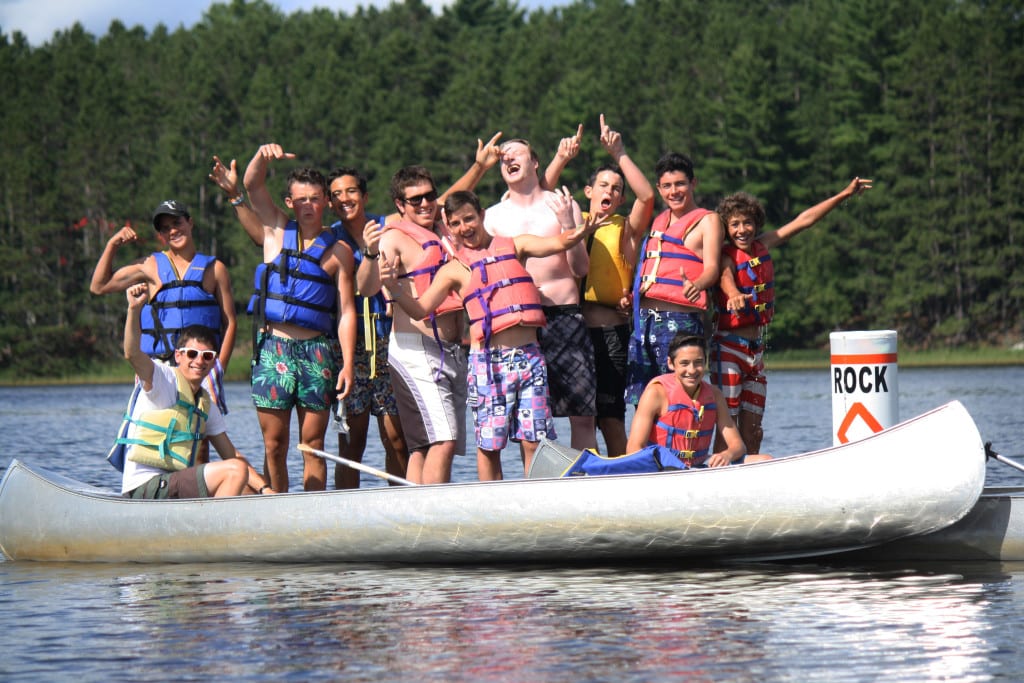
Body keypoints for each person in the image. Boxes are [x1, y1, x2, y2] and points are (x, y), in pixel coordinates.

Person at [381, 190, 602, 480]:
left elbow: (558, 242)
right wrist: (395, 289)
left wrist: (580, 231)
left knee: (534, 440)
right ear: (449, 226)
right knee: (490, 445)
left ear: (482, 215)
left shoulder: (515, 245)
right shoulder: (454, 269)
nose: (465, 228)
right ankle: (492, 505)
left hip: (530, 358)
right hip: (488, 364)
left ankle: (535, 504)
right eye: (457, 224)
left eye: (469, 219)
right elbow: (422, 308)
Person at [355, 135, 502, 484]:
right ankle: (432, 518)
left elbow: (454, 194)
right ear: (399, 204)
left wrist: (480, 166)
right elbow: (366, 287)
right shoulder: (392, 238)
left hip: (451, 350)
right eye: (414, 199)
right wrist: (370, 253)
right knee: (443, 440)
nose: (424, 204)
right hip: (415, 350)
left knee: (423, 445)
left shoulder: (441, 228)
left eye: (429, 196)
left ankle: (416, 518)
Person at [710, 177, 873, 453]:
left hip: (755, 352)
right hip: (728, 348)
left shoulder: (763, 245)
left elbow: (804, 220)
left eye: (747, 222)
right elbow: (726, 276)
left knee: (753, 430)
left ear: (756, 224)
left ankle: (750, 481)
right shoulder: (726, 256)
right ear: (726, 229)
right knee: (729, 425)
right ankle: (715, 477)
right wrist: (734, 293)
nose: (742, 230)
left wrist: (844, 194)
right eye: (735, 224)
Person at [242, 143, 358, 492]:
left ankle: (312, 513)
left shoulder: (340, 252)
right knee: (274, 445)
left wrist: (348, 364)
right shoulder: (275, 229)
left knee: (313, 445)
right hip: (273, 348)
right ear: (290, 203)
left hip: (316, 353)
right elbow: (251, 185)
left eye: (315, 198)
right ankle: (277, 505)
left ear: (326, 201)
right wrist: (262, 156)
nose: (309, 205)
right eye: (301, 199)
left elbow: (347, 311)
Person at [90, 197, 238, 467]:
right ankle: (162, 492)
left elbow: (229, 323)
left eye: (177, 223)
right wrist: (112, 244)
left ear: (190, 223)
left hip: (201, 364)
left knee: (199, 437)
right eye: (165, 227)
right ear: (160, 234)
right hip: (161, 366)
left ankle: (196, 495)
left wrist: (219, 368)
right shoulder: (150, 266)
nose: (173, 231)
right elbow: (99, 286)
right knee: (160, 430)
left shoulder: (215, 269)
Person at [546, 115, 654, 456]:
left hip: (610, 334)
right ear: (589, 192)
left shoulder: (626, 230)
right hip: (574, 332)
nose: (610, 191)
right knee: (582, 419)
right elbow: (541, 194)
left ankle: (623, 474)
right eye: (604, 185)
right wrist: (561, 158)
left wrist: (619, 153)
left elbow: (648, 197)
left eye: (617, 188)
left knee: (609, 417)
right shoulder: (571, 222)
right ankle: (589, 480)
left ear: (621, 199)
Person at [485, 137, 598, 451]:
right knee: (529, 416)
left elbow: (579, 268)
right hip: (519, 321)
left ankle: (584, 482)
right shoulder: (492, 216)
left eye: (516, 152)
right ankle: (535, 483)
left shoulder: (561, 203)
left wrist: (566, 226)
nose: (509, 158)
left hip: (564, 315)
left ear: (534, 162)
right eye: (503, 156)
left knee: (582, 413)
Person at [119, 283, 273, 499]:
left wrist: (266, 490)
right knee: (235, 472)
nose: (199, 361)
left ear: (212, 362)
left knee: (246, 488)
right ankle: (211, 530)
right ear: (178, 356)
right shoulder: (163, 378)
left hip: (172, 485)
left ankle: (228, 526)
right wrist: (134, 310)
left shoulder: (204, 402)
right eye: (192, 354)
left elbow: (232, 454)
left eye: (207, 356)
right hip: (145, 488)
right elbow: (132, 353)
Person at [324, 166, 410, 488]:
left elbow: (433, 201)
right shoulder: (330, 237)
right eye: (336, 195)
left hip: (388, 338)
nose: (344, 199)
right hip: (349, 345)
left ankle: (400, 505)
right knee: (352, 440)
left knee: (396, 436)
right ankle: (345, 512)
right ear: (330, 203)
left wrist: (478, 167)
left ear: (364, 196)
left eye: (351, 191)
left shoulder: (386, 226)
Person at [625, 152, 723, 406]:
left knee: (679, 397)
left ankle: (685, 445)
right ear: (659, 189)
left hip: (681, 322)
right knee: (645, 401)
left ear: (693, 183)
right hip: (643, 324)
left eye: (680, 184)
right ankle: (648, 446)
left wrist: (698, 284)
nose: (674, 191)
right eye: (667, 186)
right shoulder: (659, 221)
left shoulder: (708, 220)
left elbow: (712, 268)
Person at [626, 333, 768, 467]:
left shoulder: (715, 395)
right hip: (661, 468)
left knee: (765, 460)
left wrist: (727, 455)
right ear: (671, 363)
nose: (692, 370)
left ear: (705, 362)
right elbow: (633, 449)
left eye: (698, 362)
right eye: (684, 363)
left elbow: (738, 446)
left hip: (699, 466)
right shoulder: (656, 393)